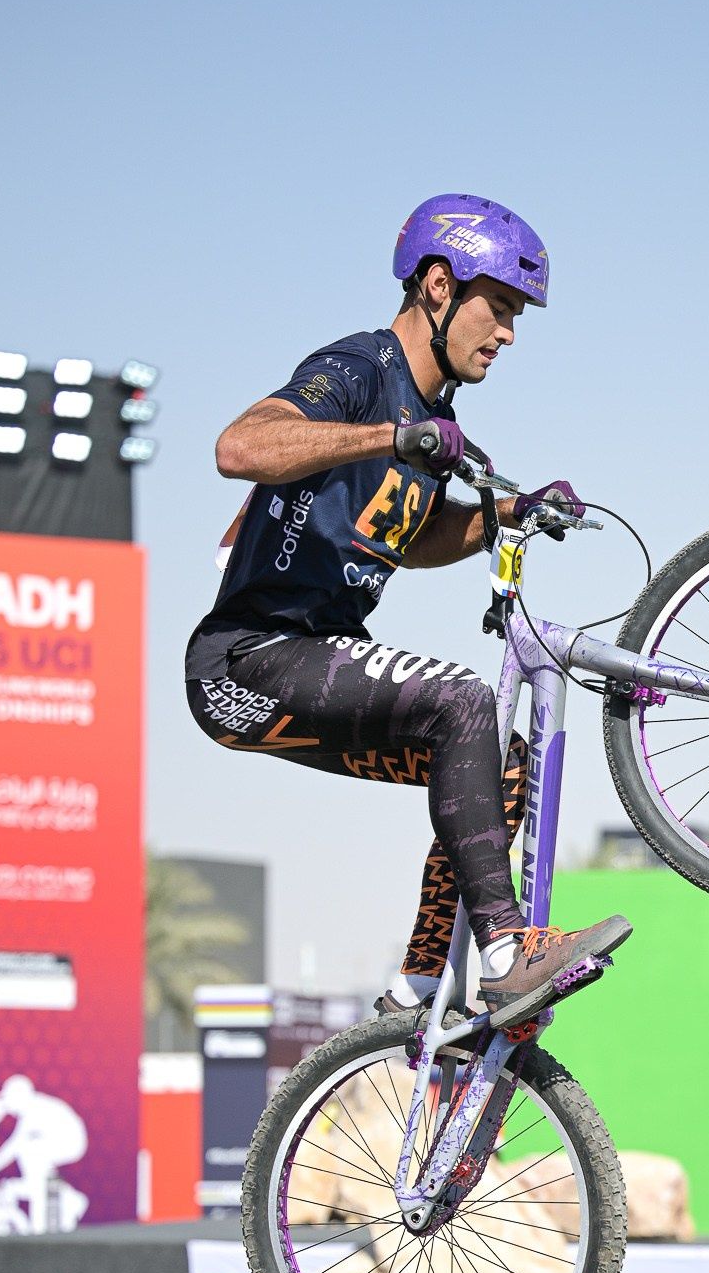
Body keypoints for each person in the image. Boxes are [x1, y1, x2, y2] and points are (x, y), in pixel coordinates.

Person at [185, 192, 631, 1026]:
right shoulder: (358, 370)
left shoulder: (434, 418)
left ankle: (417, 990)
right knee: (463, 699)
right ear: (436, 286)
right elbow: (239, 447)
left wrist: (507, 512)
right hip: (246, 660)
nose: (506, 335)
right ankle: (505, 950)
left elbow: (409, 535)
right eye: (497, 309)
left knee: (501, 758)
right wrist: (387, 437)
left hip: (311, 663)